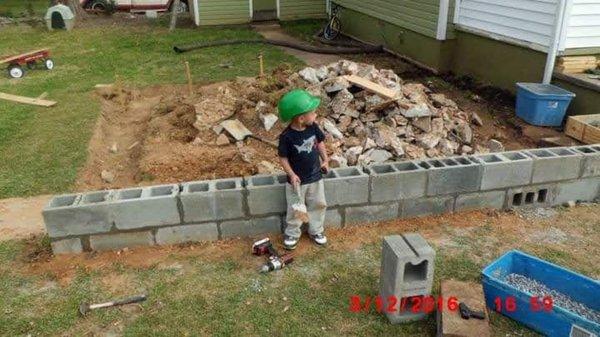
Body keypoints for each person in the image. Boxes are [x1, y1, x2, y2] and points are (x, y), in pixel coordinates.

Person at [277, 89, 329, 250]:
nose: (316, 115)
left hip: (315, 177)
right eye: (313, 112)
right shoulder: (287, 137)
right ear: (301, 118)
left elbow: (320, 143)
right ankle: (293, 233)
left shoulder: (313, 127)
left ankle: (316, 230)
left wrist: (325, 160)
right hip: (297, 182)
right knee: (297, 208)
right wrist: (291, 174)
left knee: (318, 204)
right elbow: (283, 158)